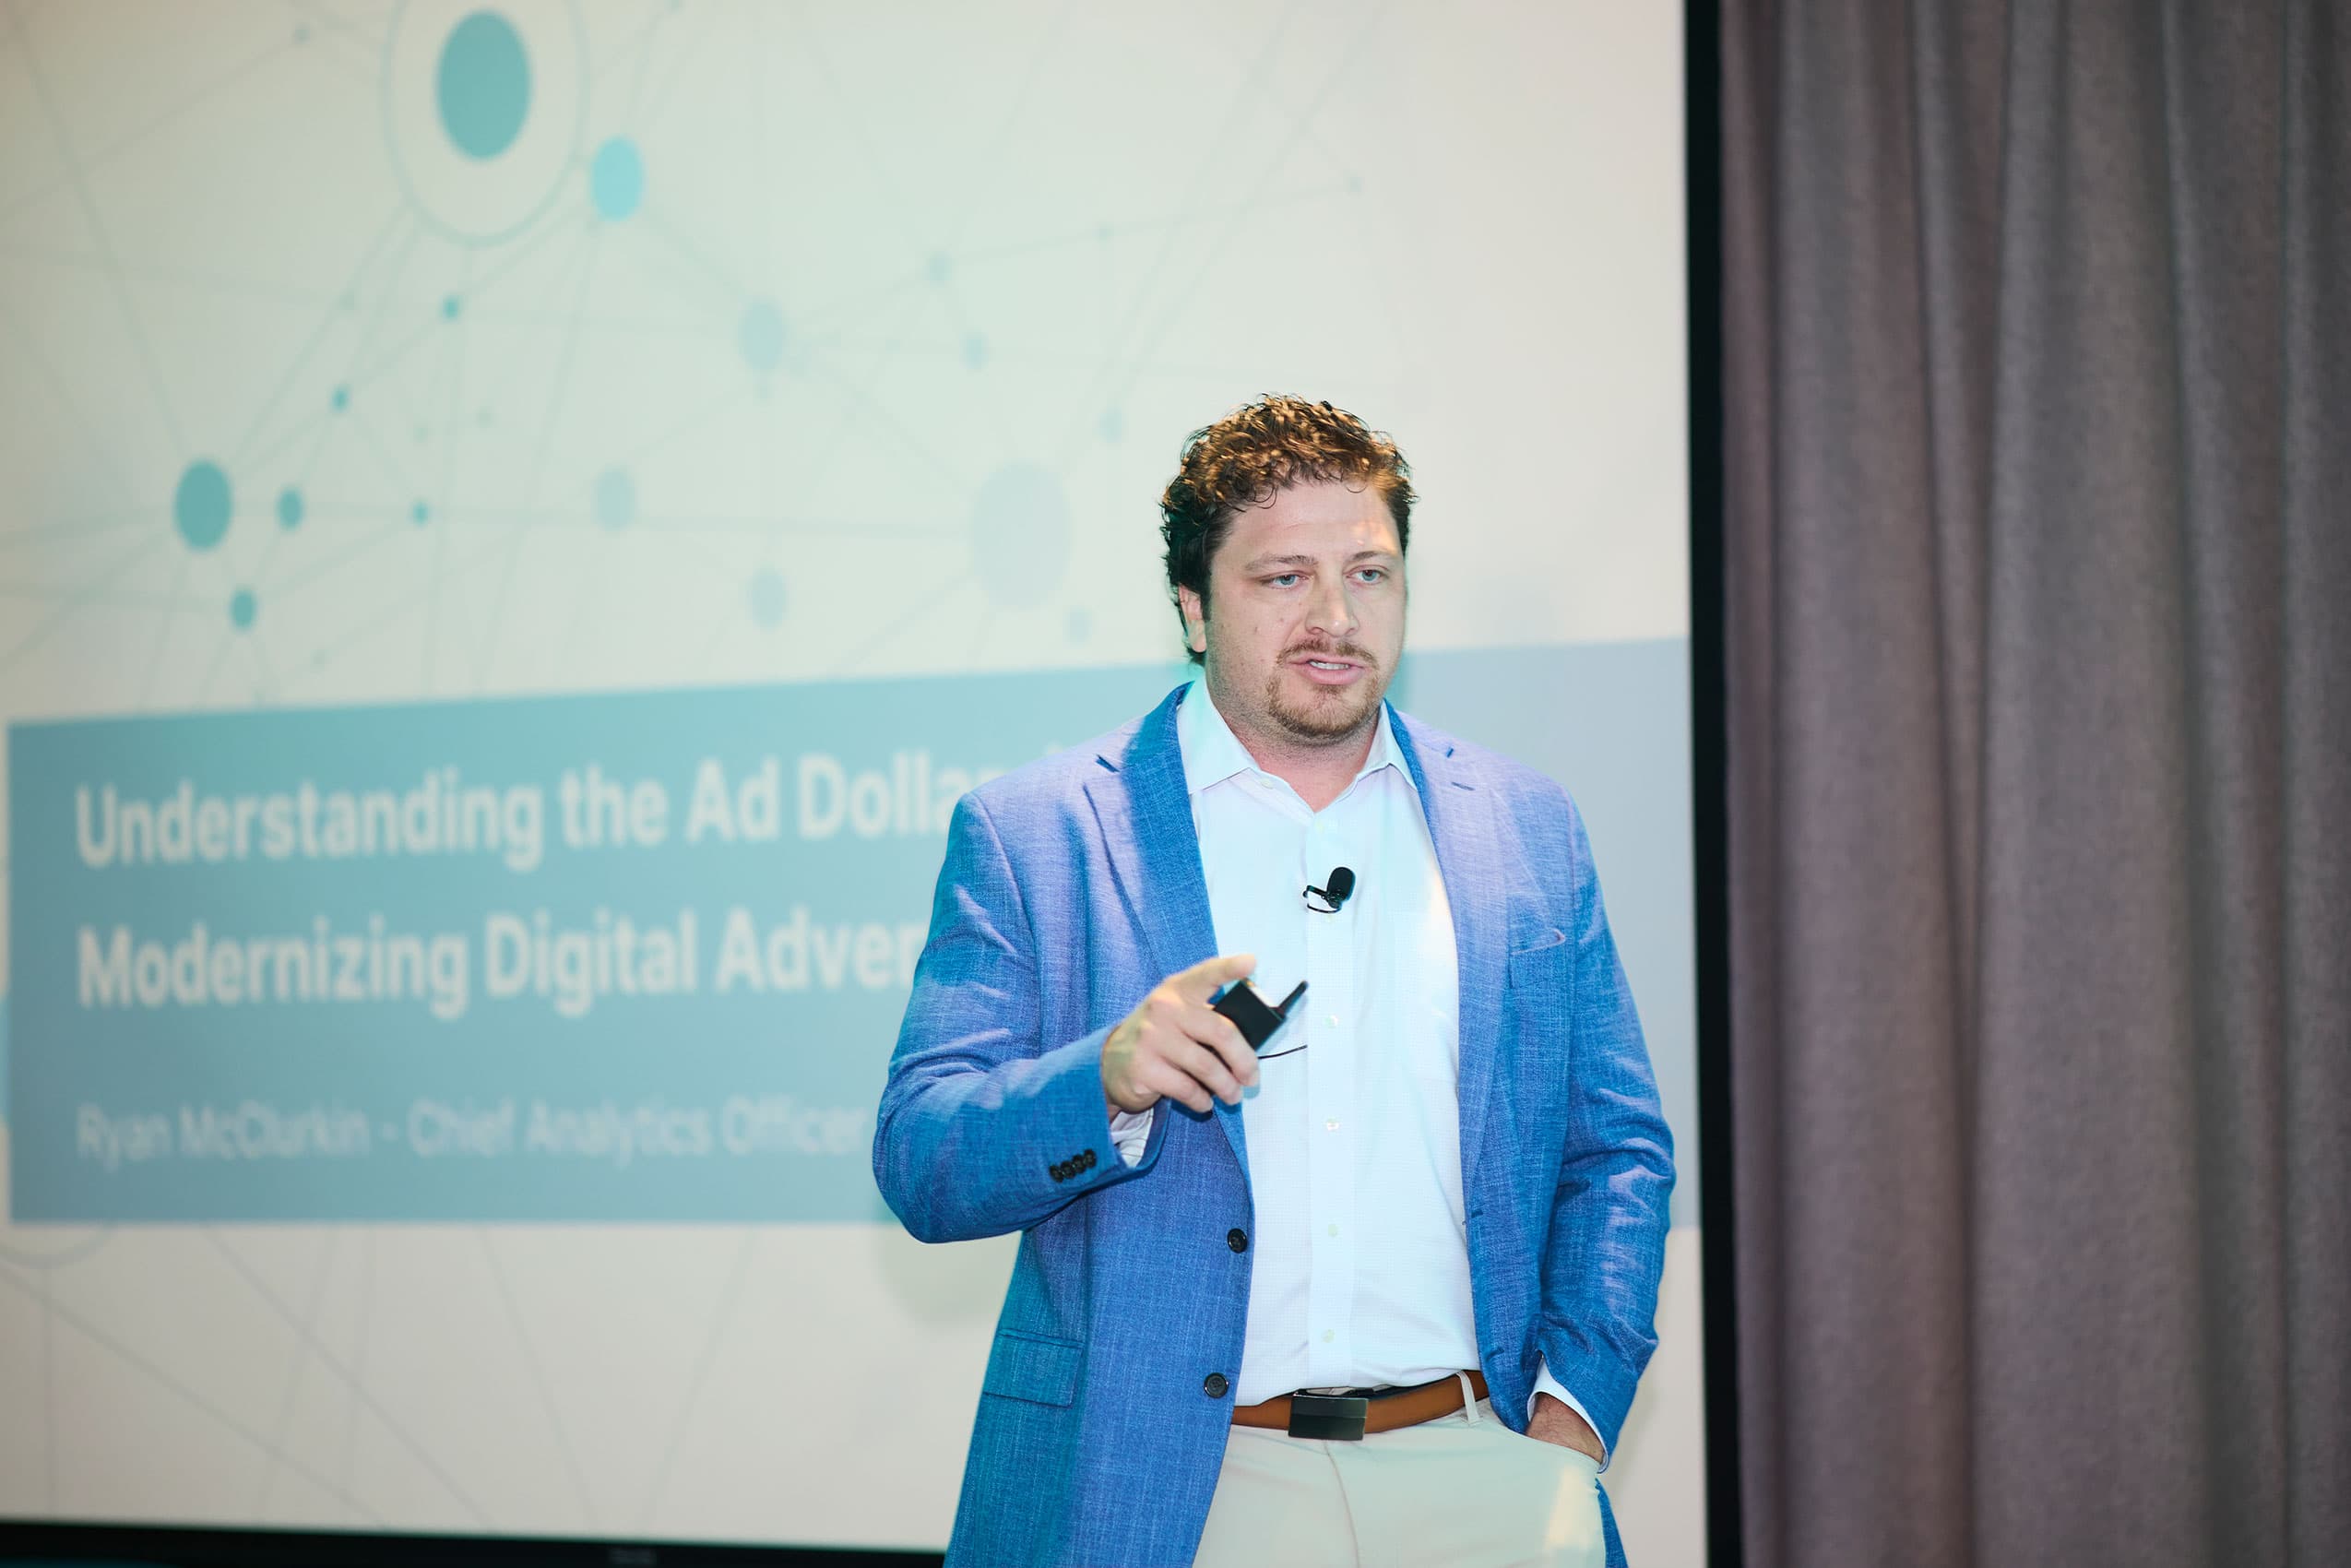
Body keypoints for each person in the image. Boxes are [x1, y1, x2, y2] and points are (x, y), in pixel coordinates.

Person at [873, 395, 1674, 1567]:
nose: (1335, 617)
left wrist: (1571, 1417)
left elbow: (1617, 1148)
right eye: (1283, 577)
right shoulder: (1041, 831)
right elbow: (923, 1154)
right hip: (1176, 1486)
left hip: (1481, 1466)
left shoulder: (1523, 824)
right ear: (1192, 607)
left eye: (1369, 573)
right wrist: (1103, 1079)